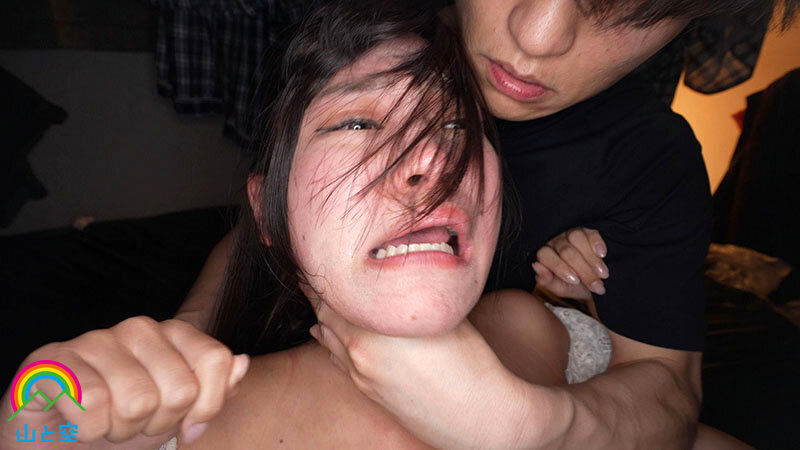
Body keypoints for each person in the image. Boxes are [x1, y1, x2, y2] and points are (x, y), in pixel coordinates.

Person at [174, 0, 799, 448]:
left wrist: (529, 424)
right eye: (360, 123)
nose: (538, 37)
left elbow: (667, 395)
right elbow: (264, 222)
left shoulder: (643, 161)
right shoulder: (364, 34)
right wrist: (179, 345)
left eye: (626, 5)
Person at [0, 4, 594, 448]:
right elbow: (42, 423)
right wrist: (36, 423)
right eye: (358, 123)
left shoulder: (540, 328)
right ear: (269, 212)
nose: (433, 161)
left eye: (457, 125)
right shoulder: (184, 418)